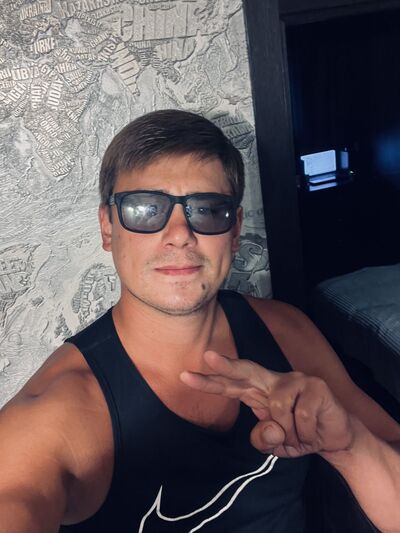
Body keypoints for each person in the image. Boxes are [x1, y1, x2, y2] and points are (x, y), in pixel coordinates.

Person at [0, 109, 399, 533]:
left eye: (207, 210)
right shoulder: (56, 415)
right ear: (108, 228)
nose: (179, 234)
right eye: (145, 209)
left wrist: (351, 446)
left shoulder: (285, 331)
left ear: (235, 231)